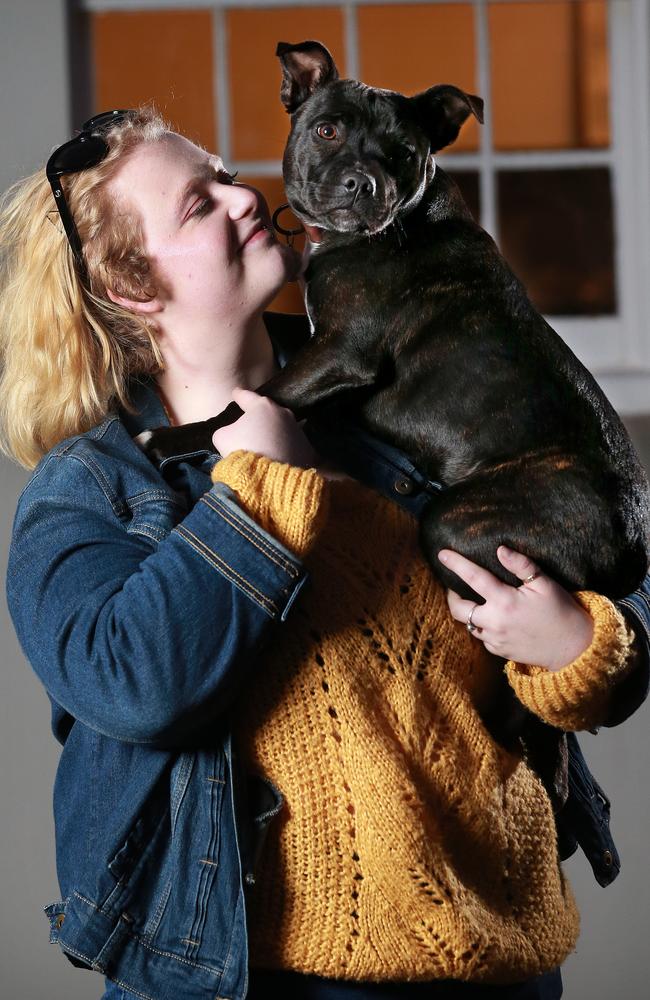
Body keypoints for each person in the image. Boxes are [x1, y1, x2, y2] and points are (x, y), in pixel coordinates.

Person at [1, 106, 648, 1000]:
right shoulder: (91, 492)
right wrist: (259, 494)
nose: (243, 196)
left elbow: (608, 534)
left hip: (502, 963)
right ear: (129, 285)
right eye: (200, 203)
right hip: (256, 983)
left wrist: (585, 641)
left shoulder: (411, 373)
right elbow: (132, 685)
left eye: (226, 173)